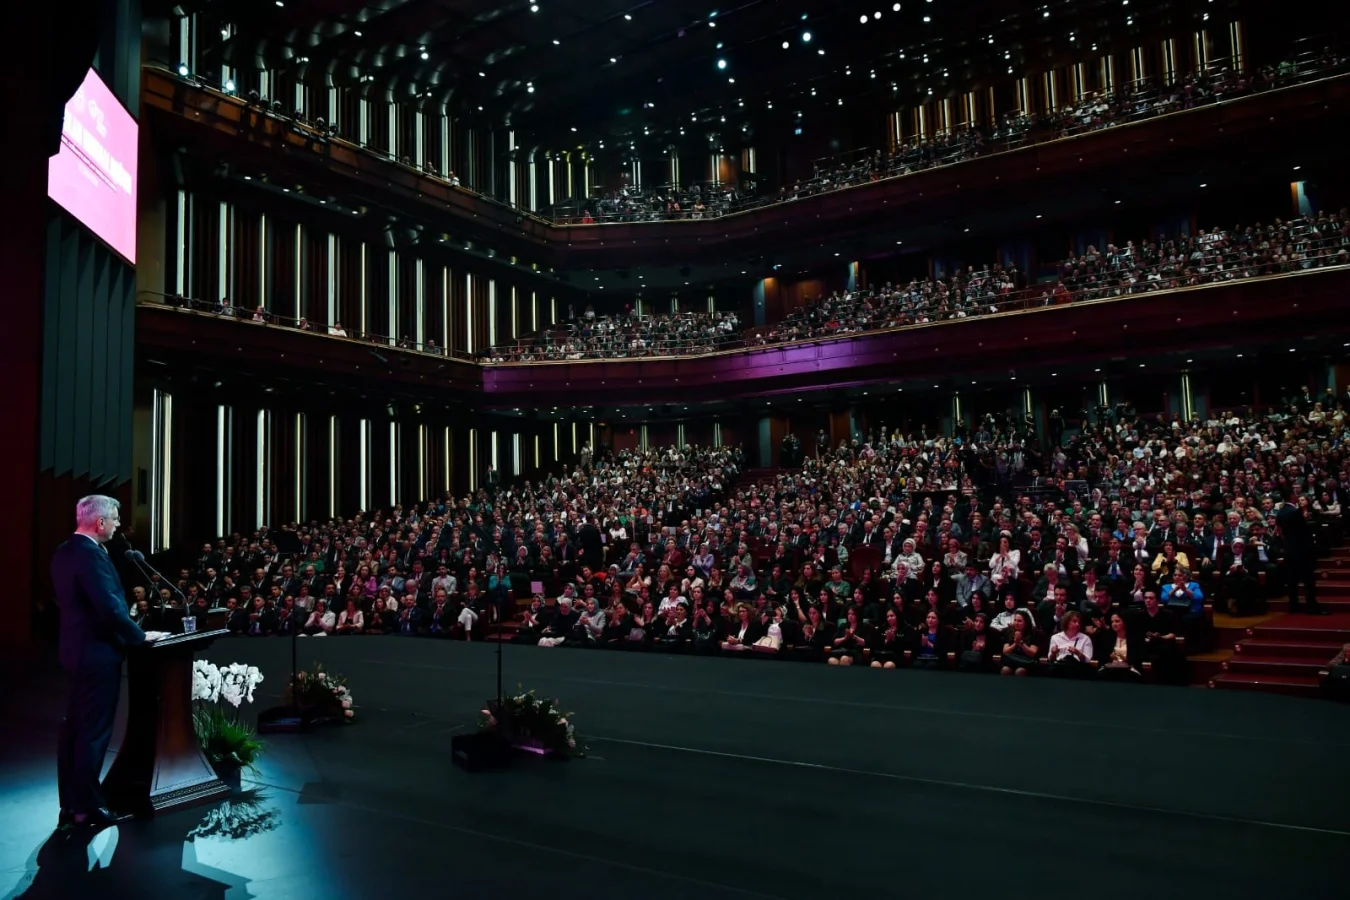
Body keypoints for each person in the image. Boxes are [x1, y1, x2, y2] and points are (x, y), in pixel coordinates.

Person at [52, 495, 165, 829]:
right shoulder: (91, 555)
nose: (118, 525)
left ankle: (70, 806)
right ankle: (87, 809)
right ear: (100, 522)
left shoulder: (63, 552)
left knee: (74, 729)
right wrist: (139, 636)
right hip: (98, 655)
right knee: (93, 732)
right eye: (115, 519)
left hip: (74, 652)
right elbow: (109, 608)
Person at [1275, 493, 1329, 614]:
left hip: (1290, 550)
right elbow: (1302, 531)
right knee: (1308, 580)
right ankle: (1312, 606)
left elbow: (1282, 532)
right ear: (1292, 496)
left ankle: (1294, 606)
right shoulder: (1295, 512)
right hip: (1302, 551)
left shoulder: (1281, 511)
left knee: (1292, 580)